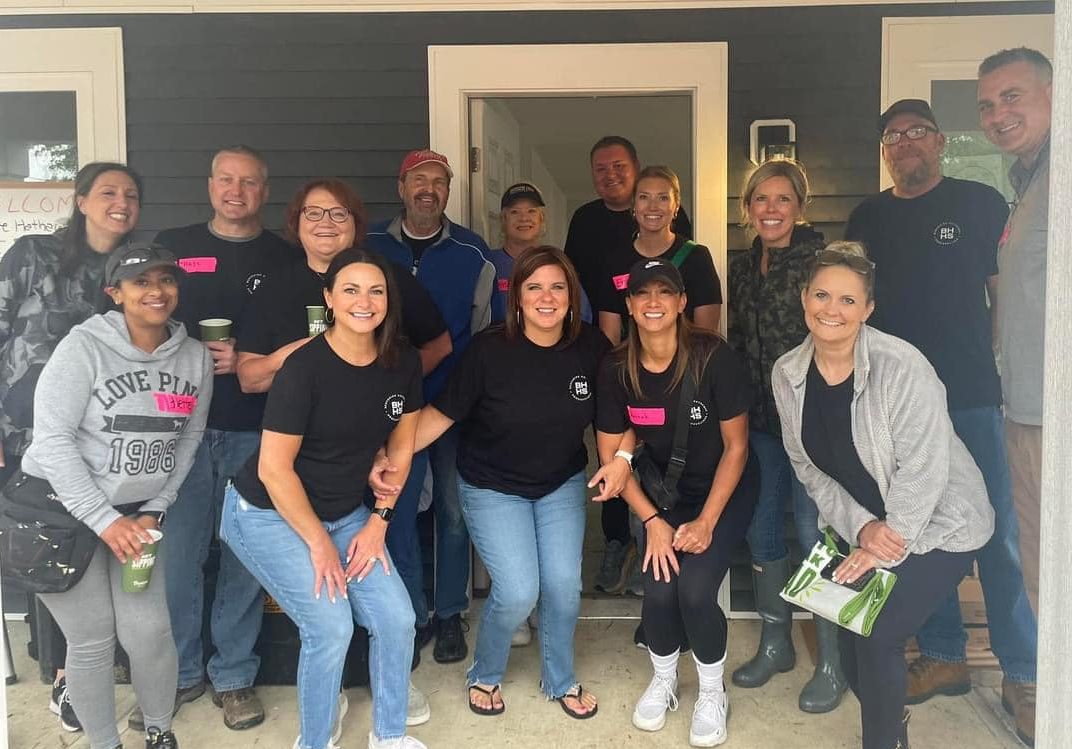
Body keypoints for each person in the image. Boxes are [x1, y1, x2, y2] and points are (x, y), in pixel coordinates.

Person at [844, 98, 1038, 735]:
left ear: (940, 141)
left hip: (971, 393)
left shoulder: (980, 204)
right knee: (918, 530)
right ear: (884, 149)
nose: (904, 144)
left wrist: (1009, 362)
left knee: (999, 535)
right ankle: (945, 655)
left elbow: (1003, 291)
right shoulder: (868, 216)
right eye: (892, 136)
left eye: (916, 132)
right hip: (897, 406)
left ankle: (1025, 673)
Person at [372, 246, 626, 719]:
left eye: (557, 287)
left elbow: (613, 422)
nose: (546, 297)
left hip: (560, 483)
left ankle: (561, 678)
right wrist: (390, 456)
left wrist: (620, 461)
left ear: (572, 296)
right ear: (517, 298)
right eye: (534, 287)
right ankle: (485, 672)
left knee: (564, 585)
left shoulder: (593, 348)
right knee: (517, 590)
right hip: (492, 485)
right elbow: (438, 417)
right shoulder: (489, 349)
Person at [771, 241, 995, 749]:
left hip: (943, 524)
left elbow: (926, 467)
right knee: (848, 632)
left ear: (868, 309)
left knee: (877, 632)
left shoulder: (902, 366)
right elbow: (807, 466)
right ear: (805, 298)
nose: (833, 310)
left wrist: (883, 541)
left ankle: (883, 739)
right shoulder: (787, 372)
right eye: (823, 295)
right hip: (870, 527)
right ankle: (890, 722)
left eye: (848, 300)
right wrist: (862, 529)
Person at [237, 178, 449, 689]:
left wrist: (382, 385)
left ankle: (394, 672)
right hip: (293, 451)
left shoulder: (390, 278)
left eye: (339, 215)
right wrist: (319, 354)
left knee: (387, 551)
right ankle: (314, 681)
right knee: (322, 585)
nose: (326, 224)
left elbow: (437, 345)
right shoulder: (279, 286)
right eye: (314, 214)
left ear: (358, 224)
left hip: (369, 455)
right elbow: (249, 377)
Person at [222, 247, 427, 749]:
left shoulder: (402, 363)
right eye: (351, 289)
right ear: (329, 299)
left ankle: (390, 736)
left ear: (388, 300)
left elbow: (399, 450)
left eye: (376, 290)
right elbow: (274, 468)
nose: (365, 301)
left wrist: (378, 521)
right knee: (331, 626)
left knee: (397, 619)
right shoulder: (304, 366)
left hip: (345, 512)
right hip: (268, 514)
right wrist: (318, 543)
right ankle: (313, 741)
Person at [25, 242, 214, 749]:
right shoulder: (82, 347)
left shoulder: (195, 357)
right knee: (92, 641)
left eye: (166, 280)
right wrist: (104, 520)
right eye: (141, 282)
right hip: (60, 512)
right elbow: (52, 440)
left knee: (150, 632)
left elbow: (188, 440)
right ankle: (104, 743)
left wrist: (156, 507)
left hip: (139, 516)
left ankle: (159, 733)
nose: (157, 291)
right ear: (115, 292)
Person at [145, 145, 295, 732]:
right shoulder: (173, 246)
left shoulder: (284, 258)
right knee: (178, 558)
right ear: (210, 185)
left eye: (250, 182)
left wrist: (252, 359)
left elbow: (295, 338)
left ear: (264, 191)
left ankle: (233, 676)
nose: (237, 191)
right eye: (227, 180)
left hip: (254, 425)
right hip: (178, 428)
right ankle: (182, 672)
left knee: (243, 557)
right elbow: (146, 316)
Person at [0, 160, 143, 735]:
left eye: (131, 195)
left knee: (86, 547)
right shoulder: (31, 255)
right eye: (108, 192)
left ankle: (73, 673)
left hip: (98, 440)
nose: (121, 203)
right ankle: (59, 673)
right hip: (26, 431)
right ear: (81, 199)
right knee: (45, 548)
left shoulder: (133, 269)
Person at [596, 257, 756, 747]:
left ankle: (712, 691)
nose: (653, 302)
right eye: (642, 293)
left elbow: (737, 447)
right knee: (660, 589)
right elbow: (611, 459)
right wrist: (652, 521)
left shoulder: (713, 357)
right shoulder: (615, 368)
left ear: (682, 301)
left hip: (724, 492)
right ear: (629, 304)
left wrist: (707, 521)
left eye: (664, 292)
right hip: (663, 494)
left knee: (694, 590)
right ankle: (665, 679)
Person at [365, 149, 495, 665]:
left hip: (450, 407)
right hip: (385, 408)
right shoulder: (369, 245)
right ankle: (410, 614)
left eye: (438, 182)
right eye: (418, 180)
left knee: (452, 512)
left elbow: (485, 335)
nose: (428, 189)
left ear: (448, 190)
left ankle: (448, 616)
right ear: (401, 187)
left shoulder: (473, 253)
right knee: (393, 511)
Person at [727, 159, 844, 712]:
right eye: (760, 200)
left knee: (817, 533)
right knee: (761, 528)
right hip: (758, 425)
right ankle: (776, 643)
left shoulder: (823, 264)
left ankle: (831, 661)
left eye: (782, 200)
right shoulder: (743, 267)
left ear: (800, 206)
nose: (770, 210)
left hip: (813, 426)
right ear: (748, 209)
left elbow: (844, 338)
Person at [565, 135, 694, 599]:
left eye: (619, 167)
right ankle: (619, 543)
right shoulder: (585, 222)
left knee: (663, 461)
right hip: (620, 366)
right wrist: (614, 374)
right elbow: (586, 296)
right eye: (600, 168)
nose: (610, 175)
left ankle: (660, 555)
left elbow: (696, 313)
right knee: (617, 460)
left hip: (674, 372)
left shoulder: (686, 246)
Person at [977, 47, 1052, 747]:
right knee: (1034, 553)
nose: (1000, 114)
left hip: (1054, 410)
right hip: (1020, 404)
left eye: (1013, 97)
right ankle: (1044, 685)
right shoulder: (1024, 183)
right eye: (988, 104)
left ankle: (1037, 680)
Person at [486, 182, 591, 325]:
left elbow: (582, 315)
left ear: (542, 219)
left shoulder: (557, 263)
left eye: (531, 211)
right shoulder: (488, 263)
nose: (524, 218)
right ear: (503, 220)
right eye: (514, 212)